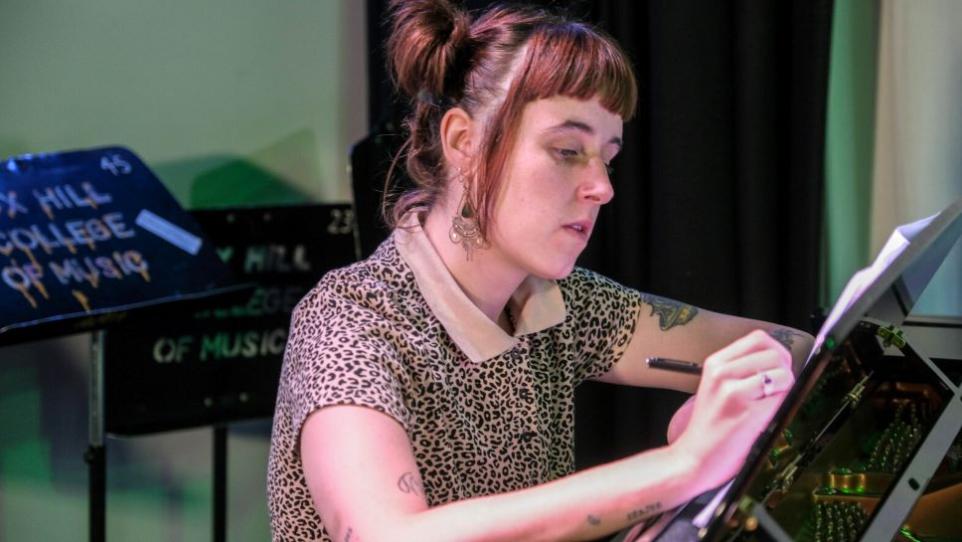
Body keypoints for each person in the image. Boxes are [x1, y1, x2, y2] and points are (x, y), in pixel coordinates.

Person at [267, 1, 814, 540]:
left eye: (608, 157)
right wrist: (684, 466)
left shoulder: (561, 303)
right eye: (567, 150)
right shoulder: (351, 320)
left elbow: (798, 351)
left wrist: (728, 402)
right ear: (463, 141)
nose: (602, 187)